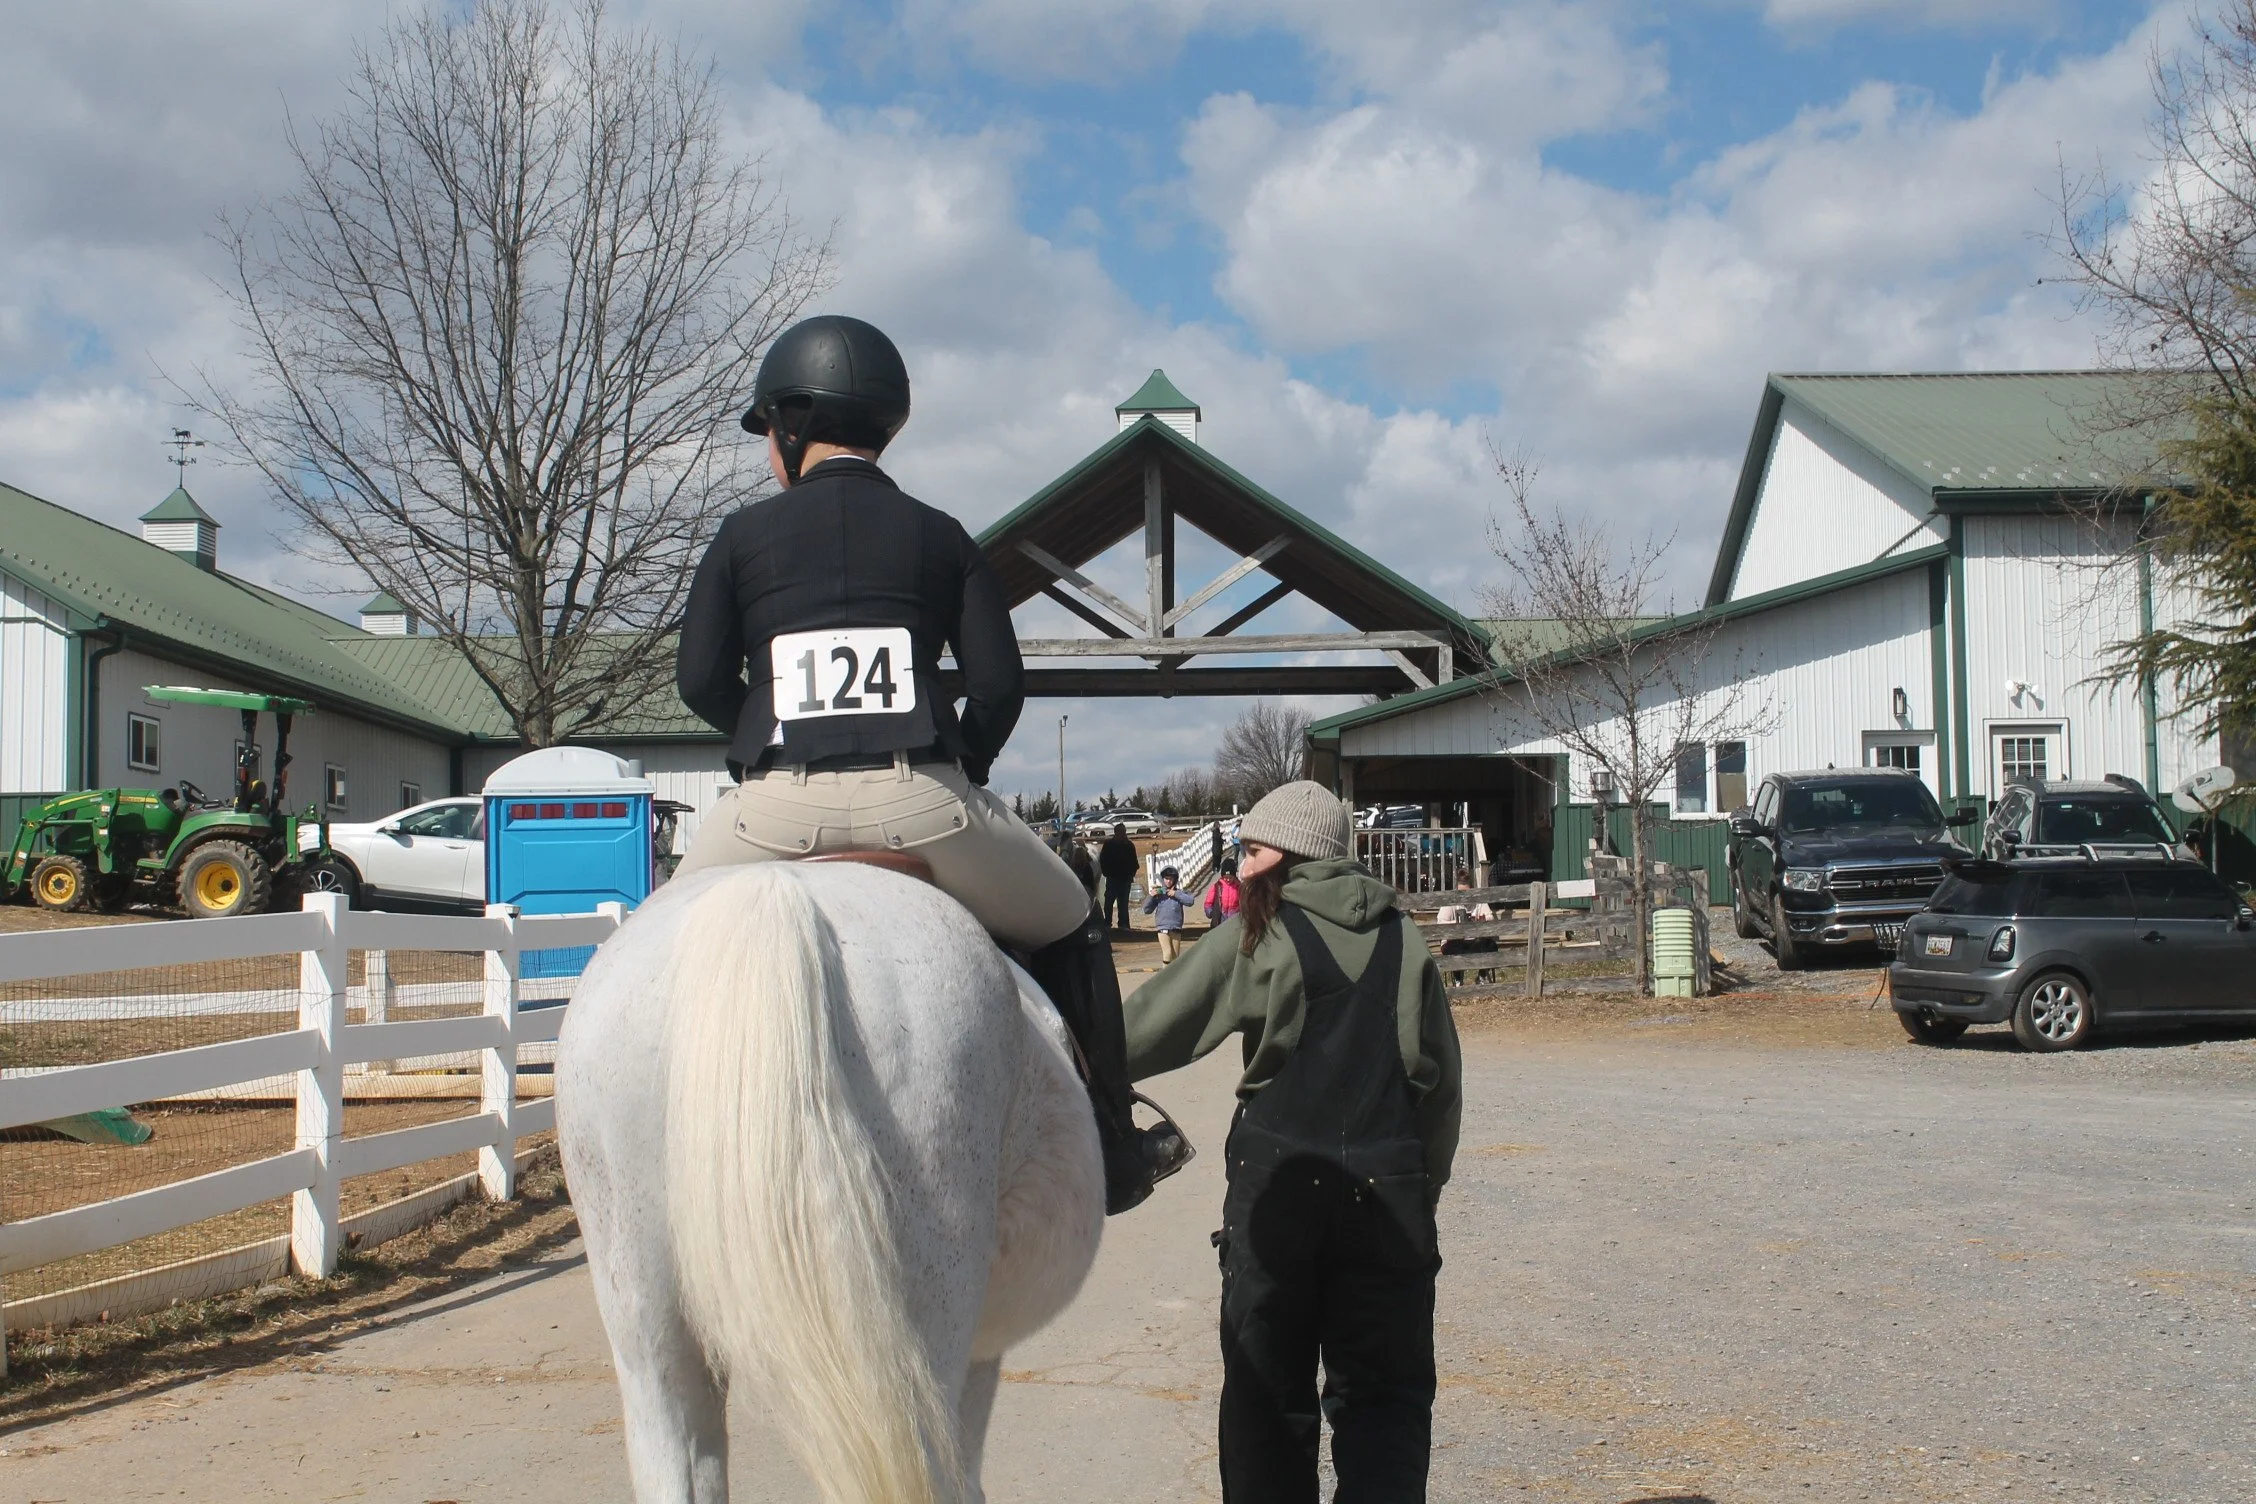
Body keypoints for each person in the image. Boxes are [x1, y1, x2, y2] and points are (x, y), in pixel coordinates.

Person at [672, 313, 1179, 1215]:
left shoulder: (742, 536)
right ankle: (1114, 1139)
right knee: (1071, 924)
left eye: (767, 436)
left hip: (774, 806)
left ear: (790, 424)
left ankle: (650, 1151)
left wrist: (766, 744)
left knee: (653, 942)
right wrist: (956, 768)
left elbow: (699, 678)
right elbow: (999, 686)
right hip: (922, 801)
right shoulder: (941, 536)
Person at [1123, 781, 1462, 1502]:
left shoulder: (1259, 932)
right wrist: (1419, 1192)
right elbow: (1440, 1090)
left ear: (1297, 854)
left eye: (1252, 850)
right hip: (1390, 1198)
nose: (1241, 869)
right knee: (1386, 1404)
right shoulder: (1405, 941)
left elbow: (1149, 1029)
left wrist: (1070, 1056)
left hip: (1280, 1192)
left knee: (1265, 1400)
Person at [1143, 865, 1190, 963]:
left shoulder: (1179, 893)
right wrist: (1151, 896)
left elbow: (1190, 901)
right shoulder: (1159, 894)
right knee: (1167, 954)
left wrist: (1176, 894)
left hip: (1176, 929)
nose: (1168, 881)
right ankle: (1165, 976)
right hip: (1163, 928)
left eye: (1170, 879)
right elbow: (1147, 910)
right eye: (1166, 879)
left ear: (1175, 880)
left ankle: (1175, 977)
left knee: (1175, 957)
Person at [1098, 822, 1140, 932]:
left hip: (1125, 878)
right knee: (1109, 901)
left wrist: (1131, 874)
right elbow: (1102, 860)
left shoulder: (1129, 845)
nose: (1123, 834)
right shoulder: (1108, 845)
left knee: (1123, 902)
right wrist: (1106, 873)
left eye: (1124, 832)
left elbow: (1134, 862)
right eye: (1121, 832)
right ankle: (1107, 923)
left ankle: (1124, 924)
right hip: (1112, 878)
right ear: (1116, 832)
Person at [1204, 857, 1242, 925]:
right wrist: (1211, 913)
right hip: (1221, 917)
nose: (1228, 879)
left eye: (1230, 877)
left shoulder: (1239, 887)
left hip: (1235, 917)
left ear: (1234, 876)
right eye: (1225, 877)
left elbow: (1244, 902)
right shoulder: (1217, 886)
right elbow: (1208, 903)